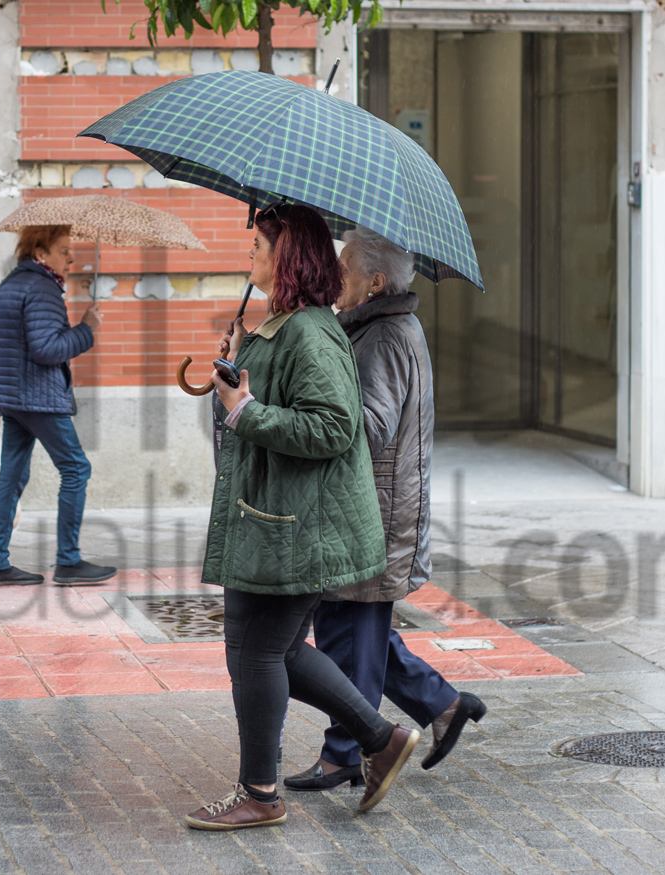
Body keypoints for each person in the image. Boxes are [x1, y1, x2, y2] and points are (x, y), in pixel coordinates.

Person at [185, 205, 420, 831]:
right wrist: (236, 370)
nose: (251, 257)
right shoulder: (283, 325)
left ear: (289, 256)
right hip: (271, 519)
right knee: (275, 652)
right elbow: (257, 409)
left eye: (260, 245)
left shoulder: (313, 332)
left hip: (298, 526)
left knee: (258, 654)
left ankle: (261, 793)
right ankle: (380, 738)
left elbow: (335, 427)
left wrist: (245, 410)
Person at [284, 226, 486, 793]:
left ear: (374, 281)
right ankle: (444, 706)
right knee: (354, 632)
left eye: (344, 267)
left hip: (374, 517)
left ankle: (348, 751)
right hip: (368, 512)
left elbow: (368, 428)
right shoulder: (376, 328)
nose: (334, 276)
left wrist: (315, 397)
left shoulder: (387, 336)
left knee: (349, 635)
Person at [0, 225, 117, 587]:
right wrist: (87, 328)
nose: (71, 257)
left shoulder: (9, 285)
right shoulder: (43, 289)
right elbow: (46, 349)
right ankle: (68, 561)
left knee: (11, 476)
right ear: (41, 254)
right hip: (38, 397)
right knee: (76, 469)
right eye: (63, 250)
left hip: (11, 398)